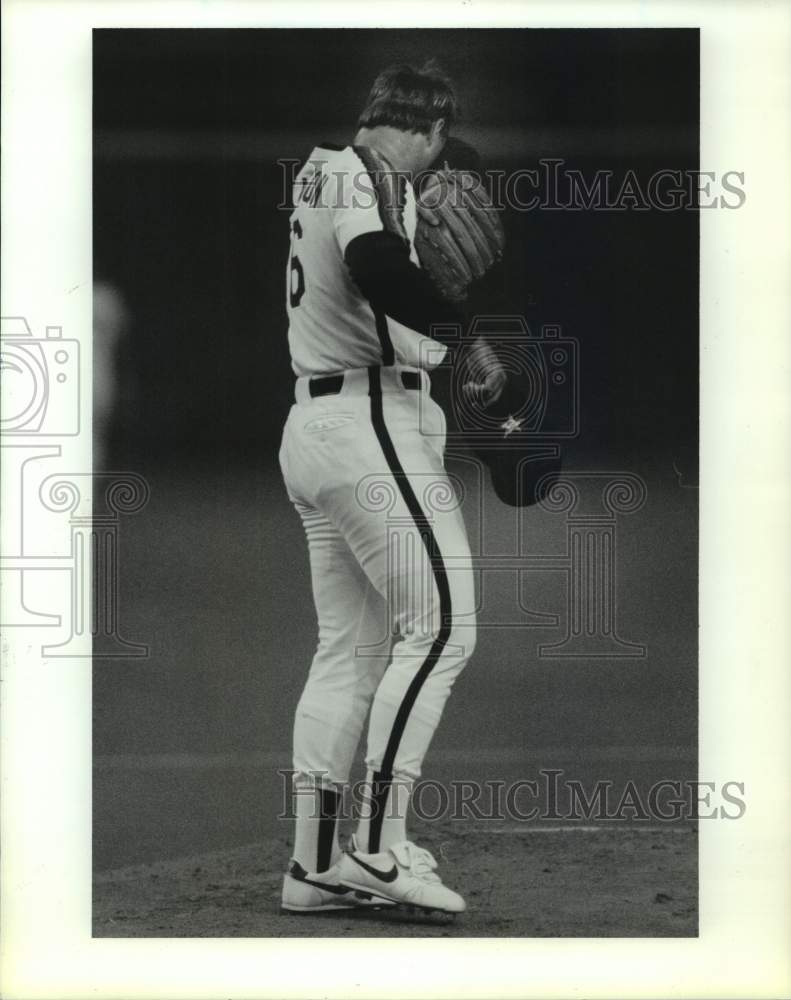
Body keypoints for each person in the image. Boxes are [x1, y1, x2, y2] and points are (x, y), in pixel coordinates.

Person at [278, 62, 503, 916]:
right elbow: (376, 266)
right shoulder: (360, 173)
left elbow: (384, 294)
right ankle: (373, 848)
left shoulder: (322, 170)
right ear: (432, 132)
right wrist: (473, 342)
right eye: (445, 155)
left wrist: (448, 348)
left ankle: (312, 867)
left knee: (351, 652)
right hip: (365, 428)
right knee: (443, 626)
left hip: (322, 425)